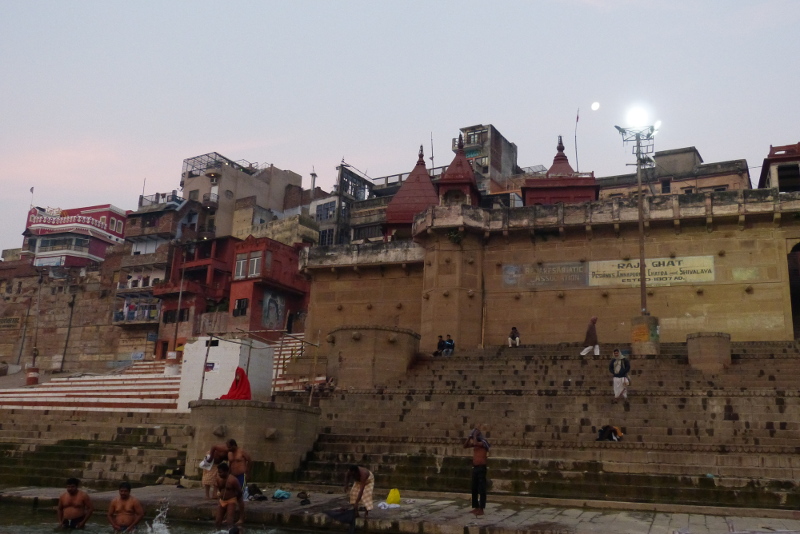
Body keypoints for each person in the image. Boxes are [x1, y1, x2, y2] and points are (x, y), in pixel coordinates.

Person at [463, 427, 489, 516]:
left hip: (482, 468)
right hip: (475, 468)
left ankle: (481, 509)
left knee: (481, 489)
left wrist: (474, 435)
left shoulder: (484, 442)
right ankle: (476, 507)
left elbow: (476, 443)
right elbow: (465, 446)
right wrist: (469, 437)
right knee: (474, 488)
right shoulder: (475, 443)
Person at [215, 462, 245, 529]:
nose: (219, 474)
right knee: (217, 521)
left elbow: (239, 492)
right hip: (222, 501)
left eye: (221, 472)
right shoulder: (218, 479)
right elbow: (220, 489)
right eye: (218, 472)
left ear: (227, 471)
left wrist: (235, 499)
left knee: (229, 522)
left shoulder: (233, 480)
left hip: (231, 501)